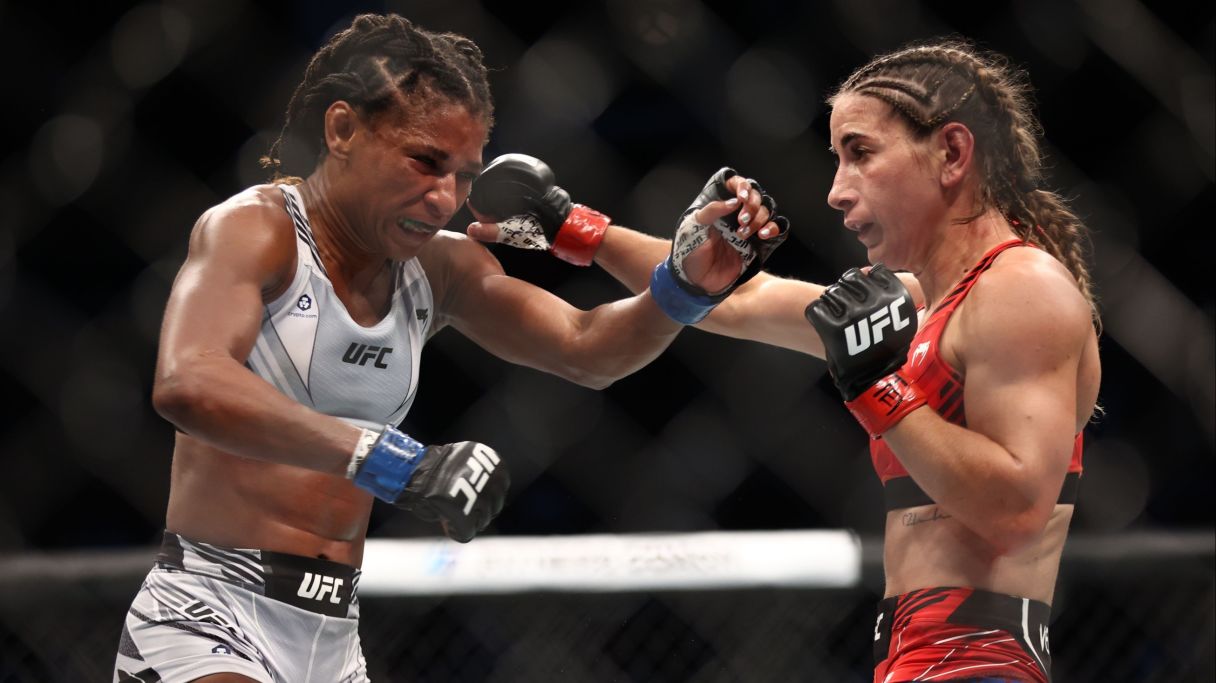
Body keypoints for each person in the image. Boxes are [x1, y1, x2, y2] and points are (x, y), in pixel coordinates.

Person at [112, 13, 786, 683]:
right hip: (209, 615)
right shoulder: (256, 230)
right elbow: (188, 381)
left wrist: (685, 286)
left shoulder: (438, 267)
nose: (444, 199)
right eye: (425, 162)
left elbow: (587, 348)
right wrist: (389, 459)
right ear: (343, 130)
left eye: (464, 176)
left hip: (333, 639)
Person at [471, 40, 1099, 683]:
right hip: (915, 660)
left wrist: (877, 387)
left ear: (951, 153)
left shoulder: (1022, 289)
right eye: (836, 159)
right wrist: (570, 224)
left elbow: (1017, 512)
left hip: (981, 664)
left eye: (861, 153)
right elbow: (737, 302)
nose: (835, 191)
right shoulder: (923, 305)